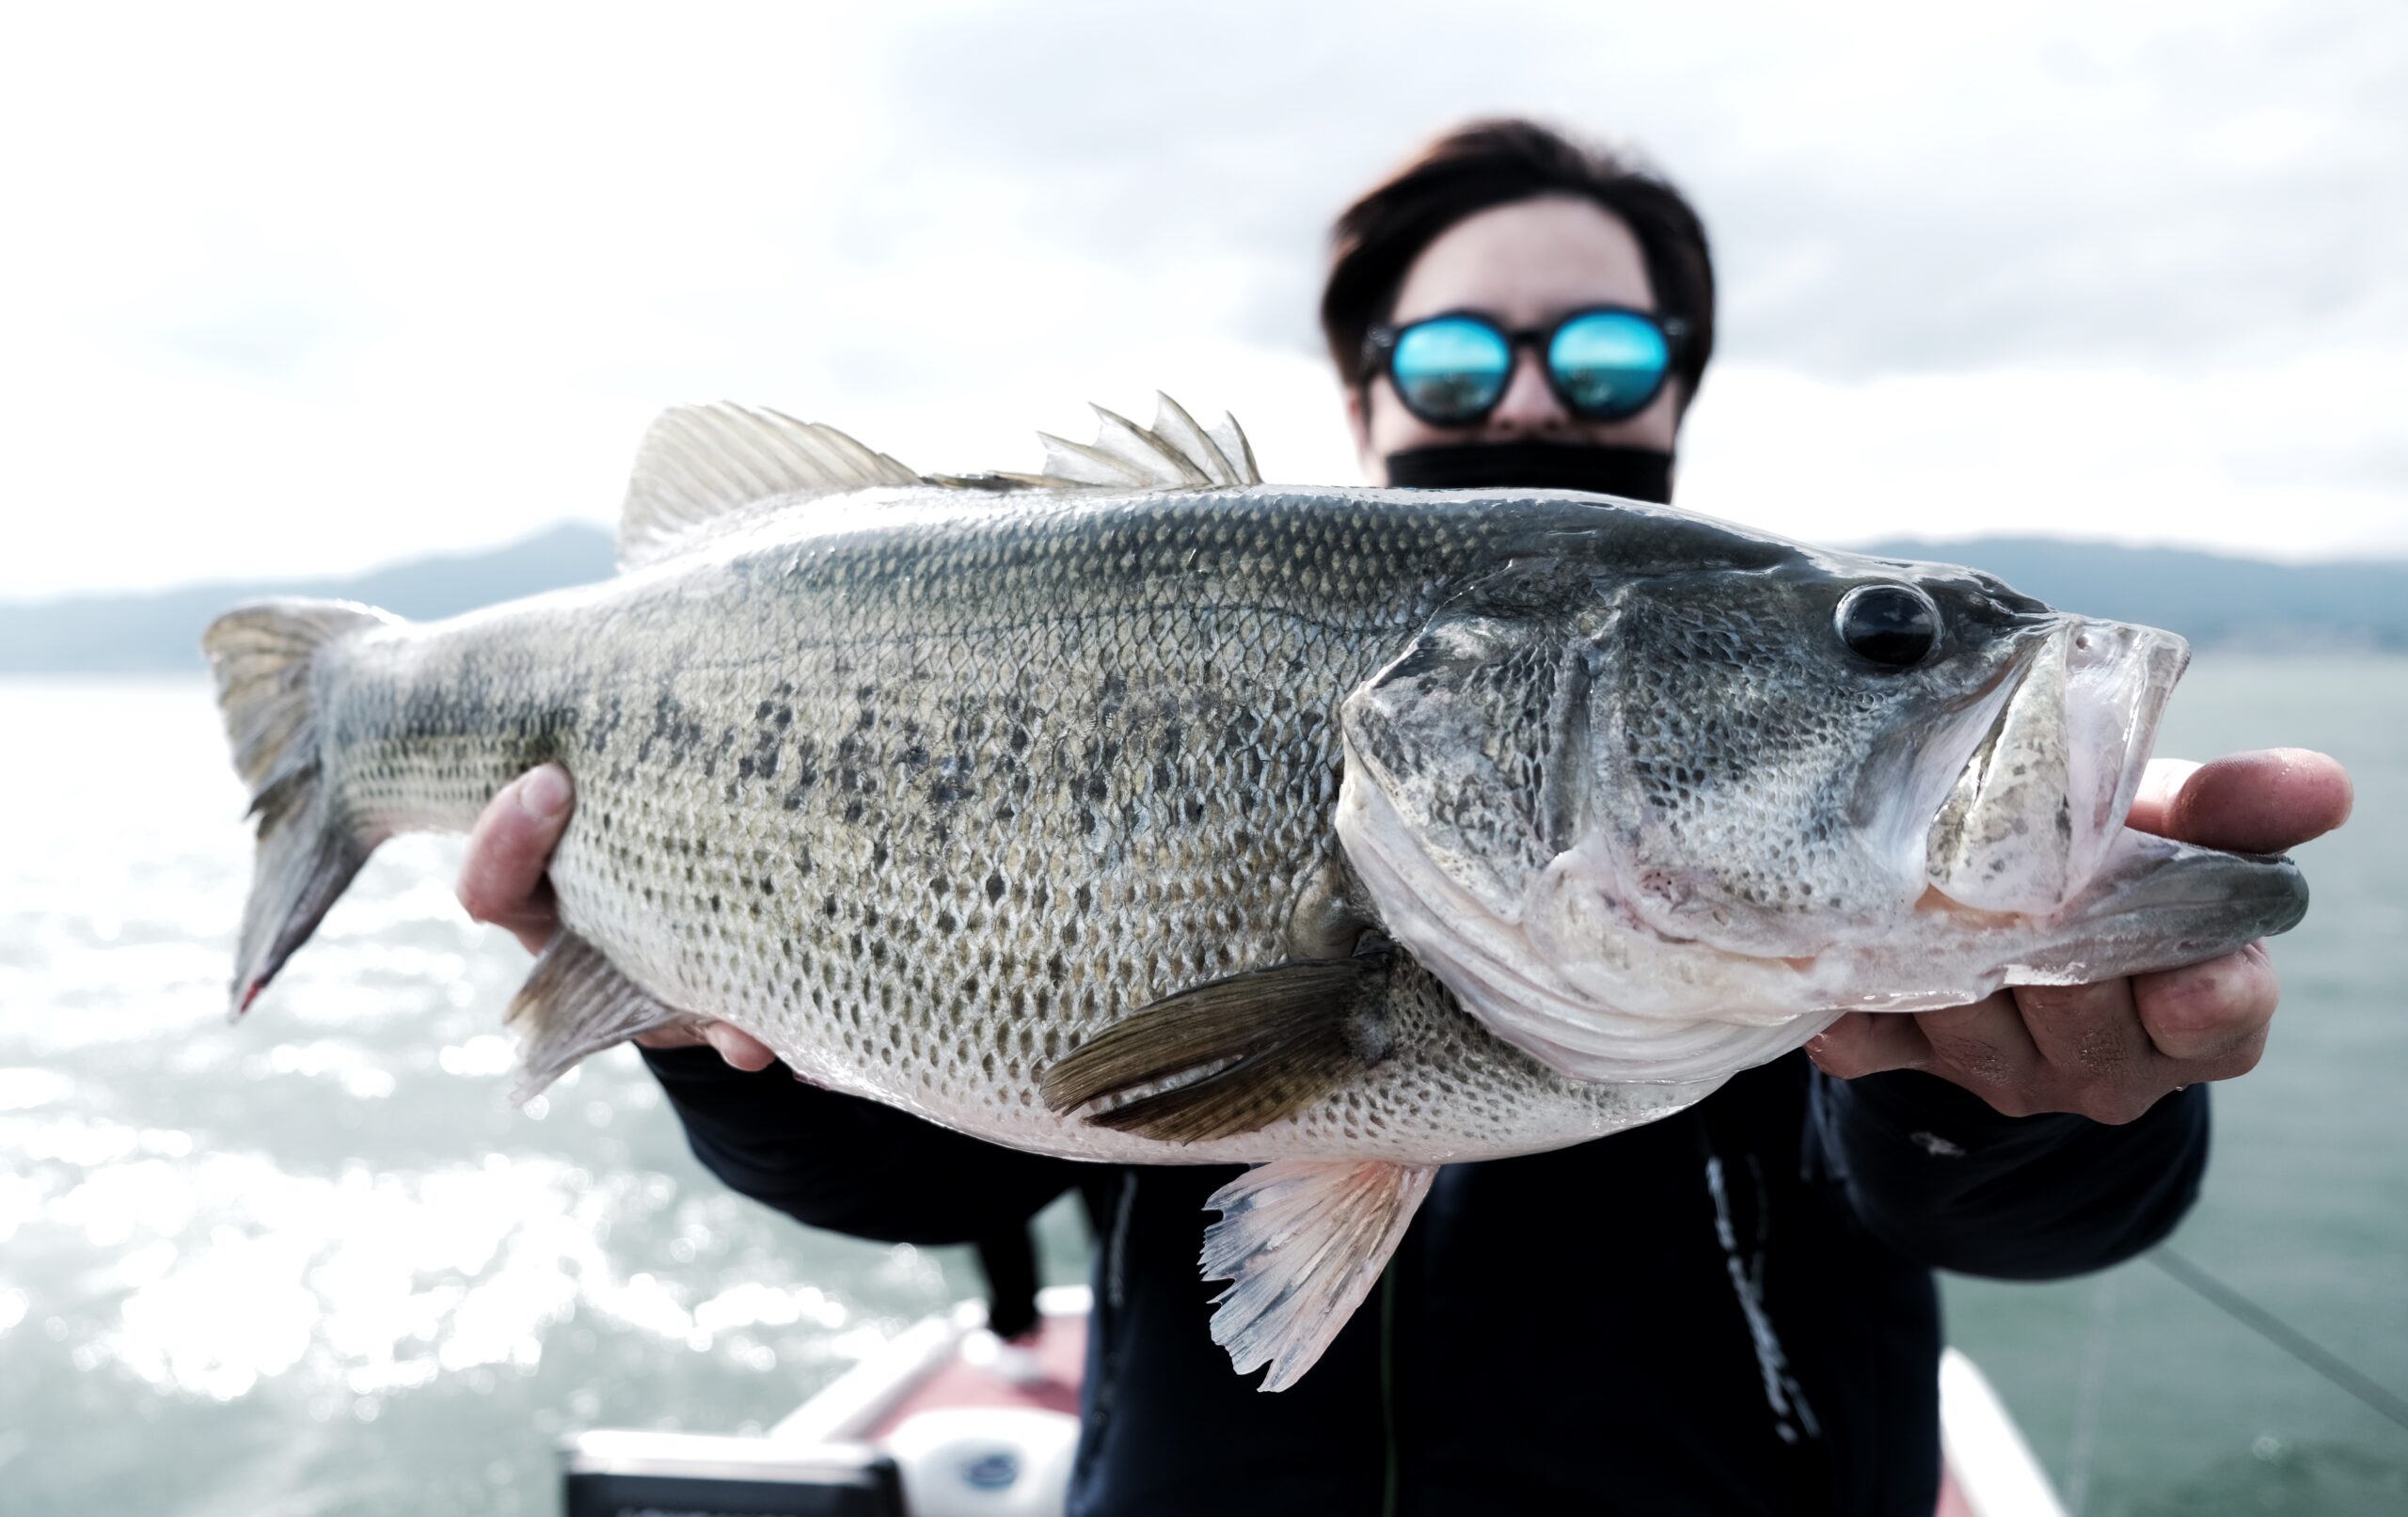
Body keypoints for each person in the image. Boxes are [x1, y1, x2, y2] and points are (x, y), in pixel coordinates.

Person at [456, 119, 2353, 1514]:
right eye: (1452, 358)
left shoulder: (1785, 865)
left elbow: (2024, 1216)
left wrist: (2012, 1098)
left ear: (1676, 385)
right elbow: (934, 1172)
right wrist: (704, 1016)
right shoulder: (1178, 637)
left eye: (1602, 356)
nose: (1528, 395)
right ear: (1366, 392)